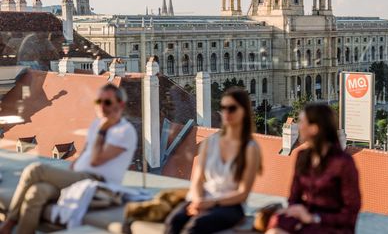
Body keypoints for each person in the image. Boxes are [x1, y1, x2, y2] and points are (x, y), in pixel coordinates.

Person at [0, 83, 137, 234]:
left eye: (108, 102)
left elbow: (95, 160)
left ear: (121, 105)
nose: (102, 106)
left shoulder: (125, 132)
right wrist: (75, 165)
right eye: (98, 101)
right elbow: (85, 152)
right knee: (36, 192)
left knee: (35, 170)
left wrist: (103, 131)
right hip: (77, 179)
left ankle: (9, 223)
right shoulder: (96, 124)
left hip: (96, 183)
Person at [165, 87, 262, 234]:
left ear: (244, 112)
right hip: (203, 198)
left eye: (232, 108)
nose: (226, 113)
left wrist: (210, 203)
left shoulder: (250, 148)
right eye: (223, 108)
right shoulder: (211, 142)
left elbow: (243, 193)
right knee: (174, 221)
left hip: (230, 205)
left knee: (195, 227)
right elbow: (197, 180)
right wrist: (198, 201)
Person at [266, 103, 361, 234]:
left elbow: (350, 212)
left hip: (333, 227)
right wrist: (296, 212)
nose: (298, 126)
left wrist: (314, 218)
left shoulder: (343, 163)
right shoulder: (303, 156)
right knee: (273, 226)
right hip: (306, 219)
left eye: (302, 122)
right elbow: (294, 196)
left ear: (314, 128)